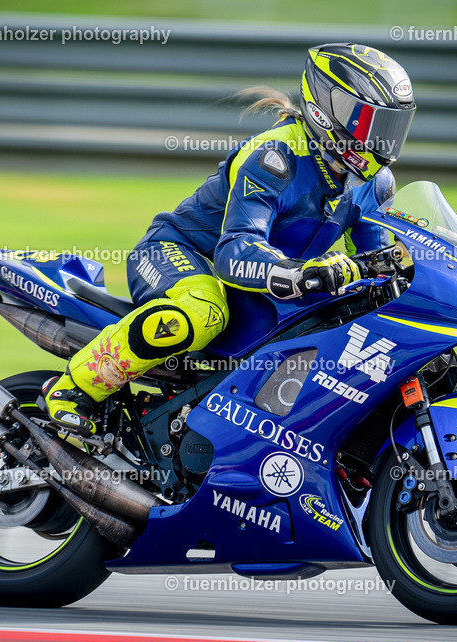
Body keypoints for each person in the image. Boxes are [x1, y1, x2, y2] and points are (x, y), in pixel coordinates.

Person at [42, 43, 416, 436]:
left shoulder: (376, 184)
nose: (382, 140)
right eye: (372, 124)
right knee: (204, 309)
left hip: (258, 284)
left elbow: (377, 261)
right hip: (178, 253)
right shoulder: (277, 156)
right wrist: (302, 273)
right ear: (330, 110)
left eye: (391, 128)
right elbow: (234, 252)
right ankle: (74, 390)